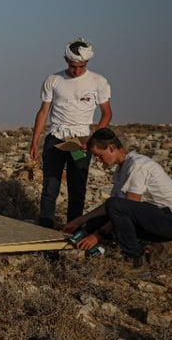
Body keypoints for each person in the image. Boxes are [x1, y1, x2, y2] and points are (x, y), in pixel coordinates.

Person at [63, 127, 172, 271]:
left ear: (111, 147)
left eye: (99, 156)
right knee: (99, 218)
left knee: (115, 209)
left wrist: (97, 235)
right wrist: (81, 220)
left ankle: (135, 261)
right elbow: (110, 207)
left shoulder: (137, 166)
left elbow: (123, 208)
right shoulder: (120, 170)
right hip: (158, 217)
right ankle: (162, 246)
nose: (98, 161)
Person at [30, 38, 112, 228]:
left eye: (81, 66)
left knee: (77, 186)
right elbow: (43, 112)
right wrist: (35, 141)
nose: (77, 70)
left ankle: (73, 227)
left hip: (80, 141)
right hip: (56, 139)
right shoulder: (53, 80)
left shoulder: (98, 82)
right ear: (66, 60)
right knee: (50, 185)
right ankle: (45, 227)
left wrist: (93, 139)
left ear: (87, 63)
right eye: (73, 66)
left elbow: (107, 113)